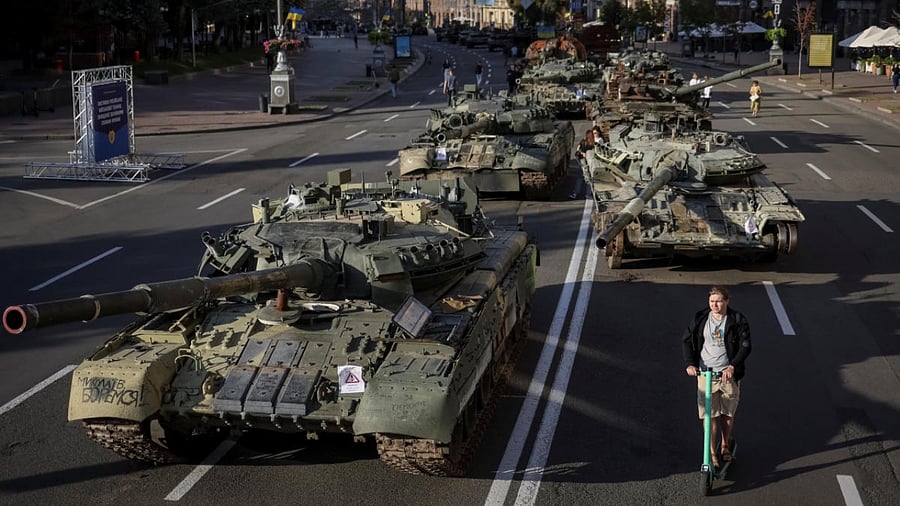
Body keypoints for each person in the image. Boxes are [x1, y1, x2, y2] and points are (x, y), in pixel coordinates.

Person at [682, 286, 752, 469]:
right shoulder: (700, 318)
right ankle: (711, 453)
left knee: (727, 415)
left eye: (719, 301)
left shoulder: (737, 320)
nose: (715, 305)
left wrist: (732, 366)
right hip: (706, 374)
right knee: (709, 415)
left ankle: (725, 444)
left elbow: (745, 346)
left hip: (728, 375)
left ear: (727, 301)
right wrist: (690, 364)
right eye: (712, 301)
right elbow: (687, 341)